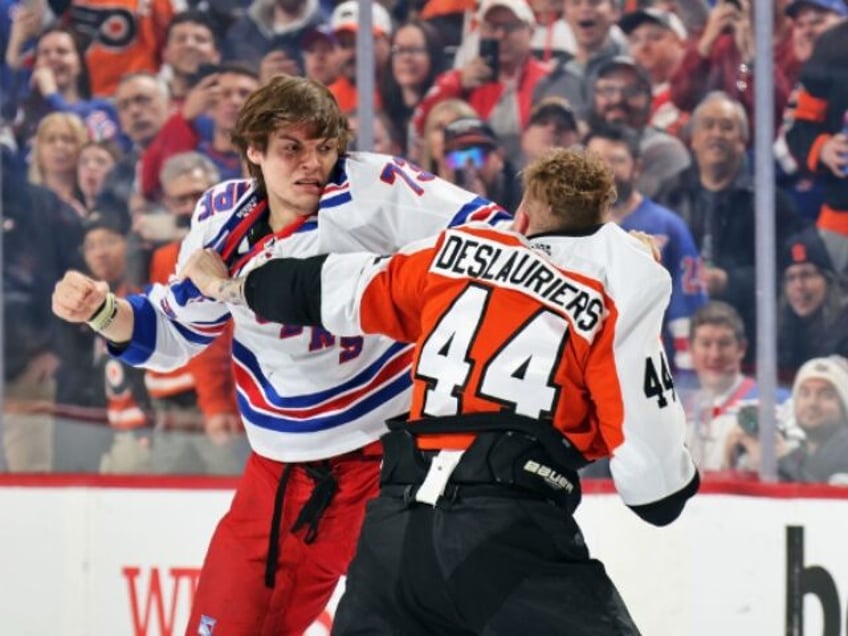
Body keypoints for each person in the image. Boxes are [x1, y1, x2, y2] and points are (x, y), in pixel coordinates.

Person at [51, 75, 509, 635]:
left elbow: (498, 238)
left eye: (323, 146)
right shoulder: (220, 220)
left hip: (396, 455)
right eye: (291, 148)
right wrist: (101, 310)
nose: (311, 164)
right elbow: (170, 338)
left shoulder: (380, 188)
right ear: (254, 150)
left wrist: (595, 250)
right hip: (283, 469)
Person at [184, 147, 699, 634]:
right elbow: (655, 487)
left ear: (520, 218)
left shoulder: (449, 254)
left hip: (394, 535)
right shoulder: (621, 276)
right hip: (508, 534)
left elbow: (320, 286)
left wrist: (226, 287)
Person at [725, 355, 848, 484]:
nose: (812, 403)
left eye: (826, 395)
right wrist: (733, 454)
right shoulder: (800, 452)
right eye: (805, 393)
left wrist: (781, 457)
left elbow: (821, 496)